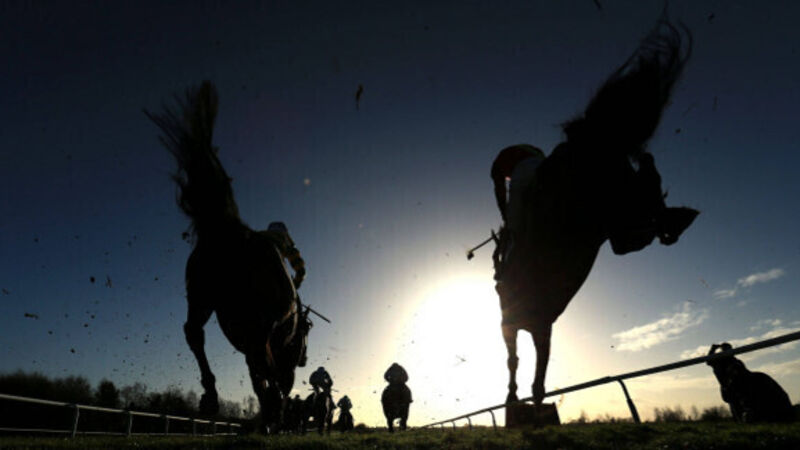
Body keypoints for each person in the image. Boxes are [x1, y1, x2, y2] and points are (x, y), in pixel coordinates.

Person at [490, 144, 546, 279]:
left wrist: (506, 217)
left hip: (526, 169)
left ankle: (509, 270)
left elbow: (500, 191)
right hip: (544, 167)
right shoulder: (529, 149)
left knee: (515, 229)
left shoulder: (498, 166)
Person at [261, 221, 306, 291]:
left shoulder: (258, 237)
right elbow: (301, 271)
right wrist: (295, 284)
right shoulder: (284, 243)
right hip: (273, 283)